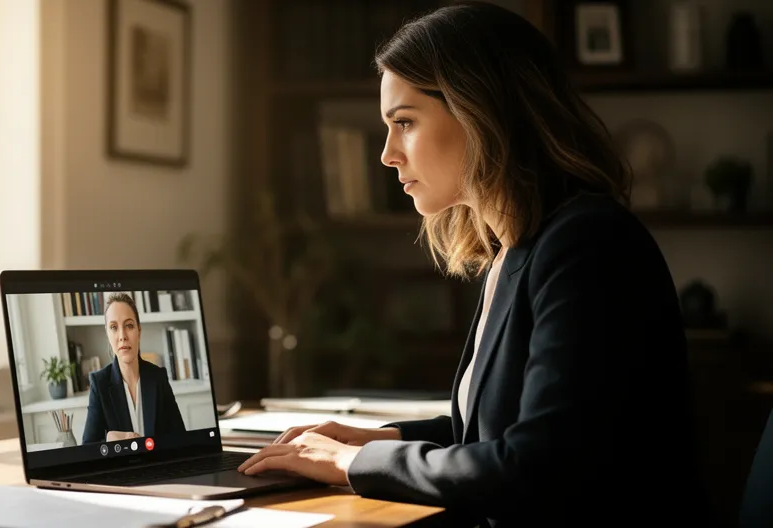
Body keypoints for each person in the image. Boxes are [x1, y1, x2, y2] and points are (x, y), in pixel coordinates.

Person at [237, 3, 709, 526]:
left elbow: (538, 467)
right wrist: (379, 439)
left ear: (480, 111)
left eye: (405, 122)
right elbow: (496, 430)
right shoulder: (514, 251)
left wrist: (354, 462)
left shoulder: (588, 246)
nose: (388, 153)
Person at [82, 293, 186, 444]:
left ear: (139, 331)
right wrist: (110, 439)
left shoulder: (158, 377)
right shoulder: (99, 383)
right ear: (107, 334)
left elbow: (180, 438)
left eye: (129, 325)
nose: (122, 336)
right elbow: (87, 447)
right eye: (113, 327)